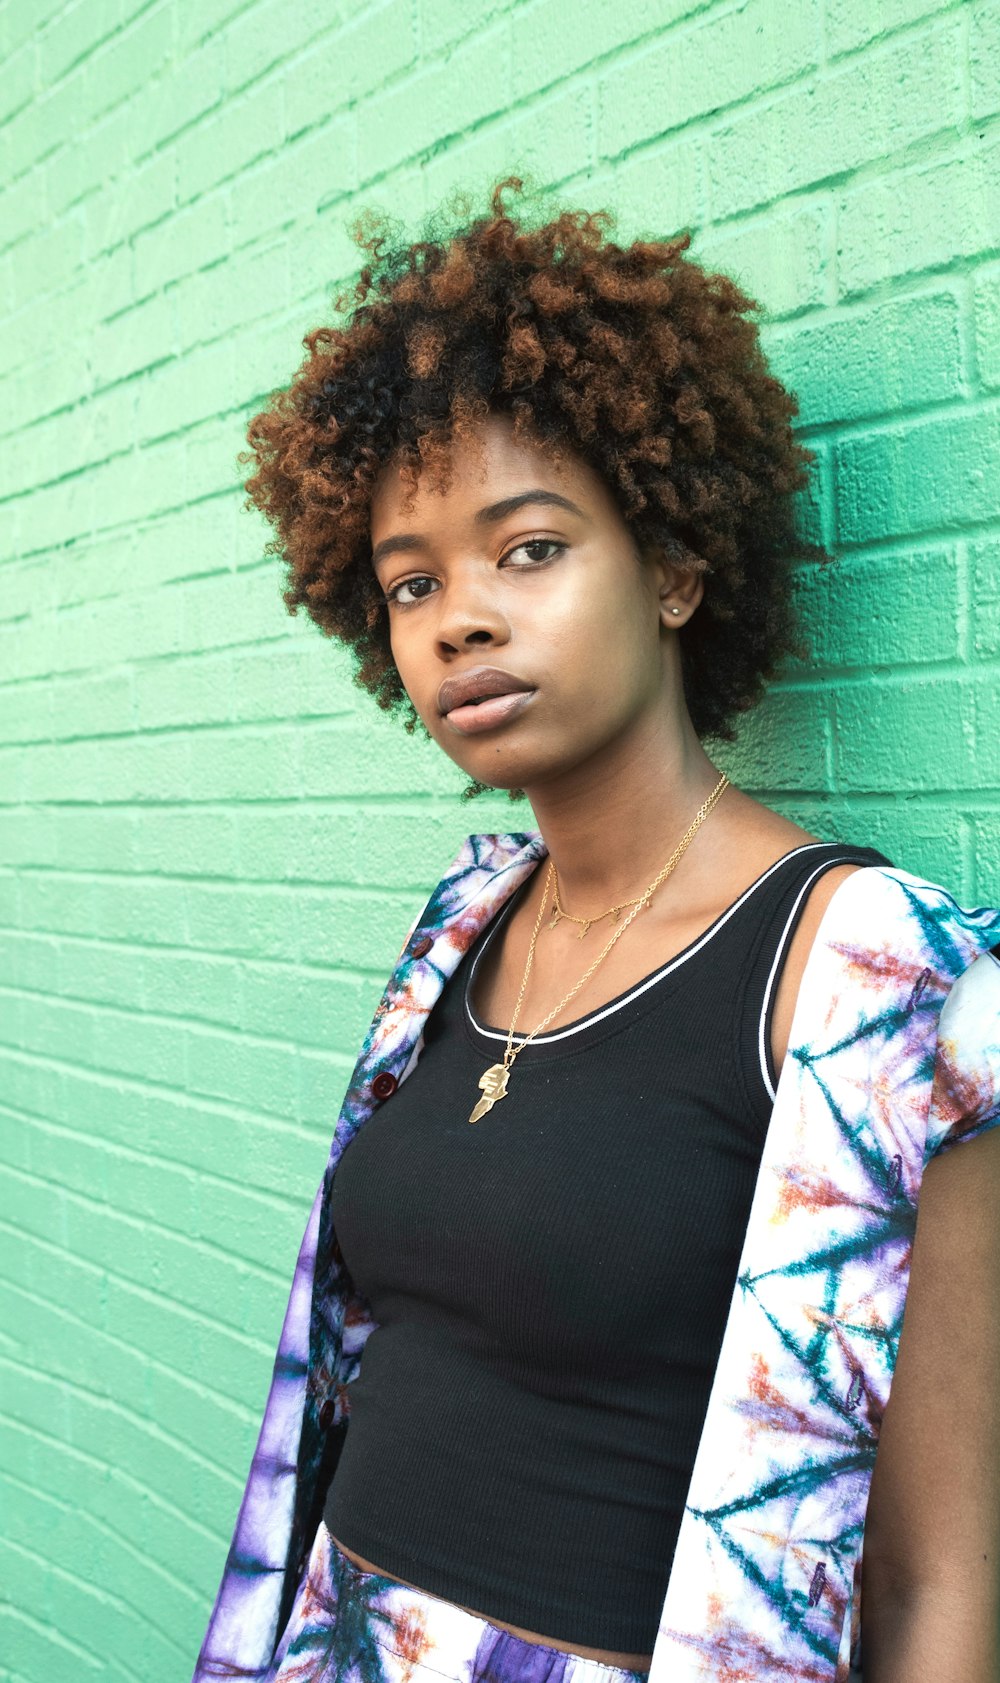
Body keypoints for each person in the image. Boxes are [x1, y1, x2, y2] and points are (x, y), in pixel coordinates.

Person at [191, 177, 1000, 1683]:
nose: (460, 619)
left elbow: (937, 1575)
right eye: (411, 582)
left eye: (531, 550)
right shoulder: (460, 926)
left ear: (679, 569)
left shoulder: (873, 973)